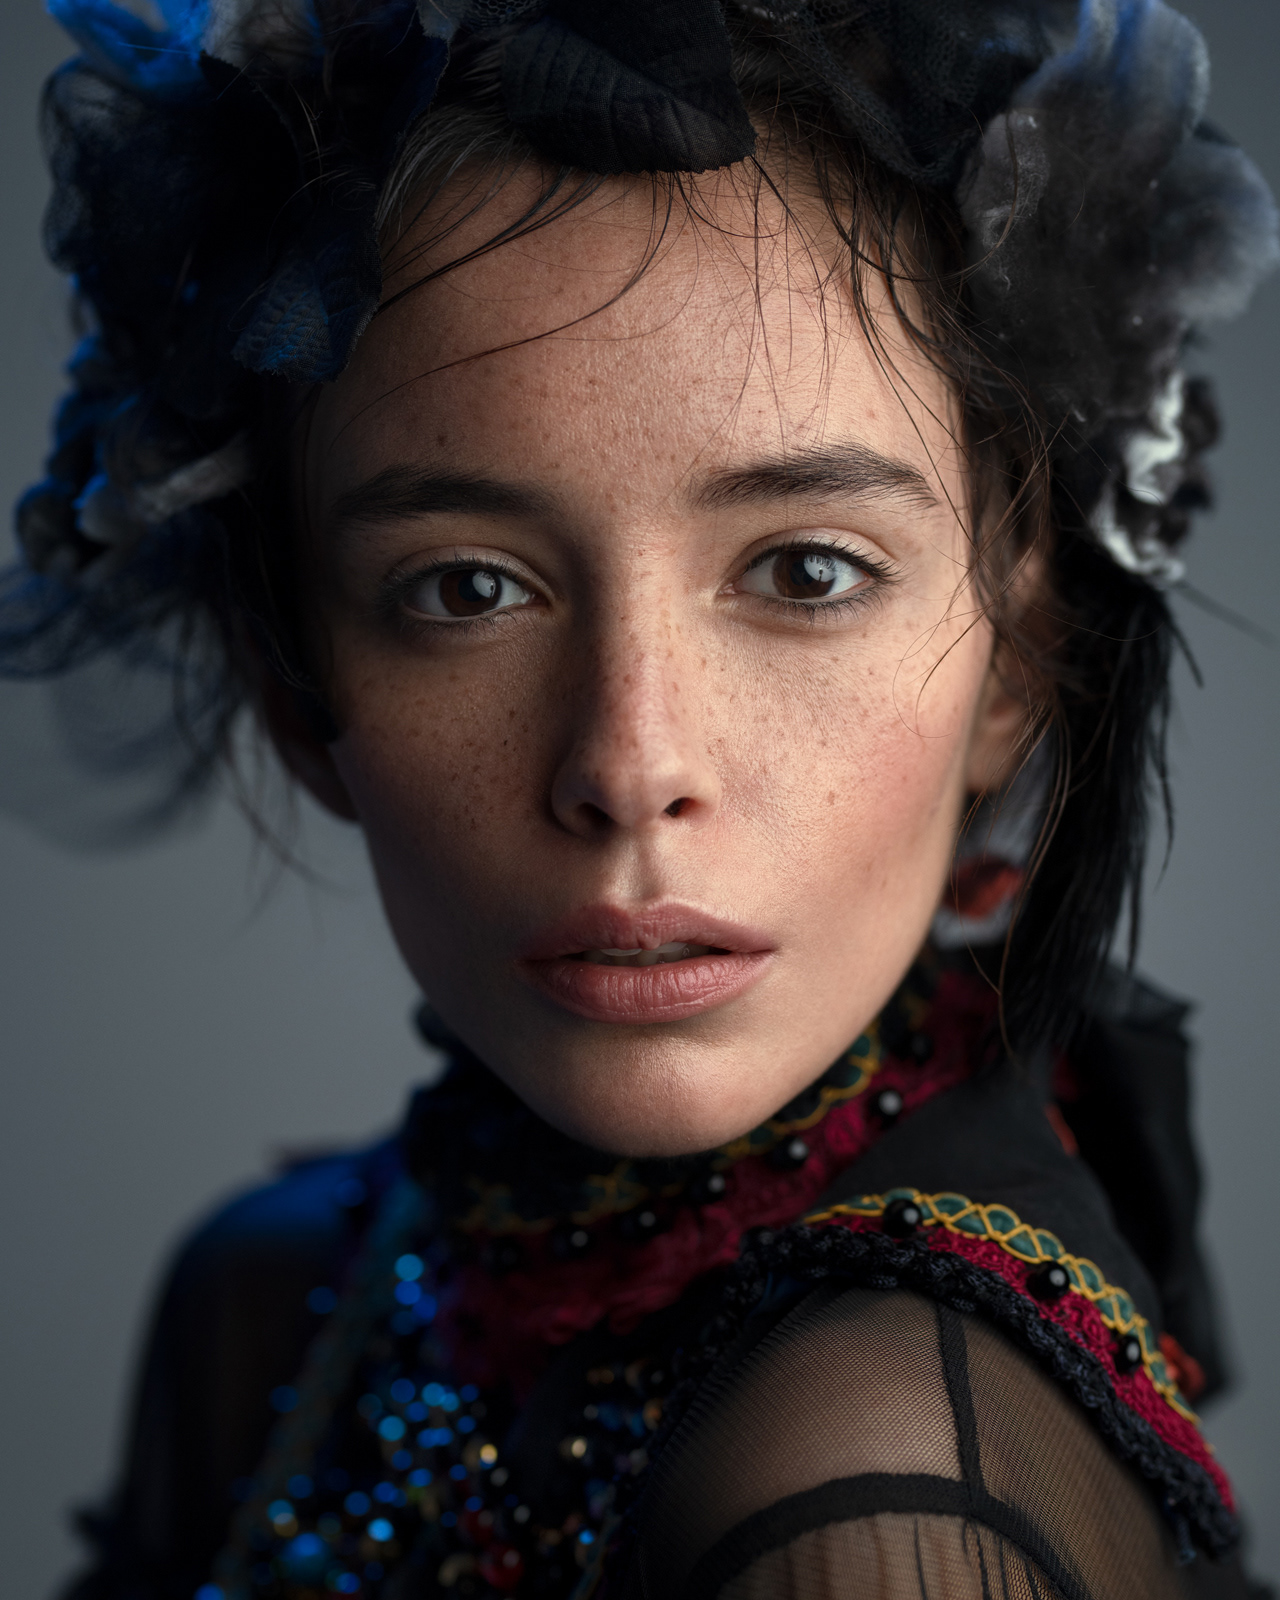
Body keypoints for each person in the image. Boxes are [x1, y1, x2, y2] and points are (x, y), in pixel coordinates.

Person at [7, 0, 1277, 1595]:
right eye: (466, 588)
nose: (631, 764)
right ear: (297, 681)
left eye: (808, 571)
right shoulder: (271, 1304)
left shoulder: (873, 1487)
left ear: (1015, 662)